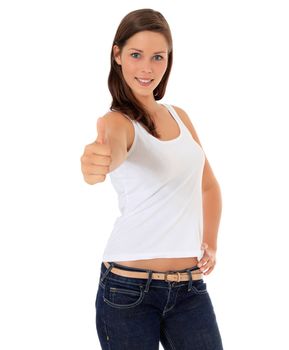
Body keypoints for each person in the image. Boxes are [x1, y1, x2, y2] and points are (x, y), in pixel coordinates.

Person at [80, 8, 223, 350]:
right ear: (117, 55)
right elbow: (109, 152)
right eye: (136, 55)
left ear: (168, 60)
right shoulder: (116, 122)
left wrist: (211, 242)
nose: (147, 68)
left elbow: (208, 185)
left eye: (157, 57)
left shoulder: (180, 116)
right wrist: (95, 164)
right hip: (128, 291)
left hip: (190, 289)